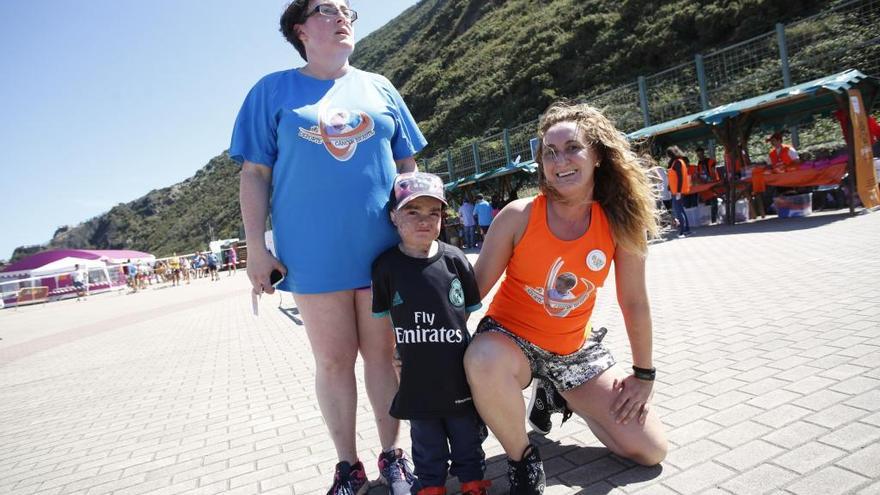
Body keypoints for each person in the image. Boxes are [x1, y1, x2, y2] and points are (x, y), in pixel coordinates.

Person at [231, 2, 427, 493]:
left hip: (383, 251)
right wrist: (256, 248)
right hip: (312, 256)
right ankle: (348, 465)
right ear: (300, 29)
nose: (342, 17)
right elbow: (254, 173)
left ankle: (393, 456)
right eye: (326, 9)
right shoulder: (271, 91)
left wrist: (421, 231)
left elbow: (408, 167)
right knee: (334, 361)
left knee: (383, 359)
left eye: (347, 10)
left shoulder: (379, 86)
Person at [463, 102, 668, 494]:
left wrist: (643, 375)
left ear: (597, 157)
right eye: (549, 153)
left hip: (574, 351)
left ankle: (560, 393)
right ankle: (522, 458)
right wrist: (421, 346)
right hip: (510, 341)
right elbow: (471, 294)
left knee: (650, 450)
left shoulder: (620, 223)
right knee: (483, 359)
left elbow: (635, 302)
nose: (561, 161)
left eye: (573, 148)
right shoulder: (518, 216)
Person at [371, 172, 490, 495]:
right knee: (425, 438)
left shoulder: (455, 259)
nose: (424, 221)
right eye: (413, 212)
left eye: (433, 213)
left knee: (466, 433)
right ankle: (431, 486)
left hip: (457, 373)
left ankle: (472, 482)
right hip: (415, 378)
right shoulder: (385, 268)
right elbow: (385, 319)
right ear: (394, 216)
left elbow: (464, 310)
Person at [666, 146, 691, 237]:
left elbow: (680, 178)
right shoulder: (678, 162)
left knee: (678, 211)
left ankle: (683, 231)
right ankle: (686, 229)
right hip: (676, 190)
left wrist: (679, 192)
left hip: (677, 191)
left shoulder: (677, 163)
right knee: (680, 210)